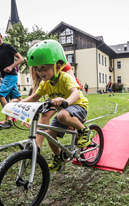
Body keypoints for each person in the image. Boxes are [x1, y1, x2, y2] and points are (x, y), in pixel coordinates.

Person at [18, 40, 91, 171]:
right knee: (49, 133)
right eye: (37, 69)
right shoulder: (44, 83)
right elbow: (35, 97)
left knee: (62, 115)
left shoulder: (65, 78)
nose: (40, 72)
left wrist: (66, 102)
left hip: (79, 106)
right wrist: (19, 104)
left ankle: (84, 131)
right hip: (65, 109)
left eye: (43, 68)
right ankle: (58, 156)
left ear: (57, 67)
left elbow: (76, 94)